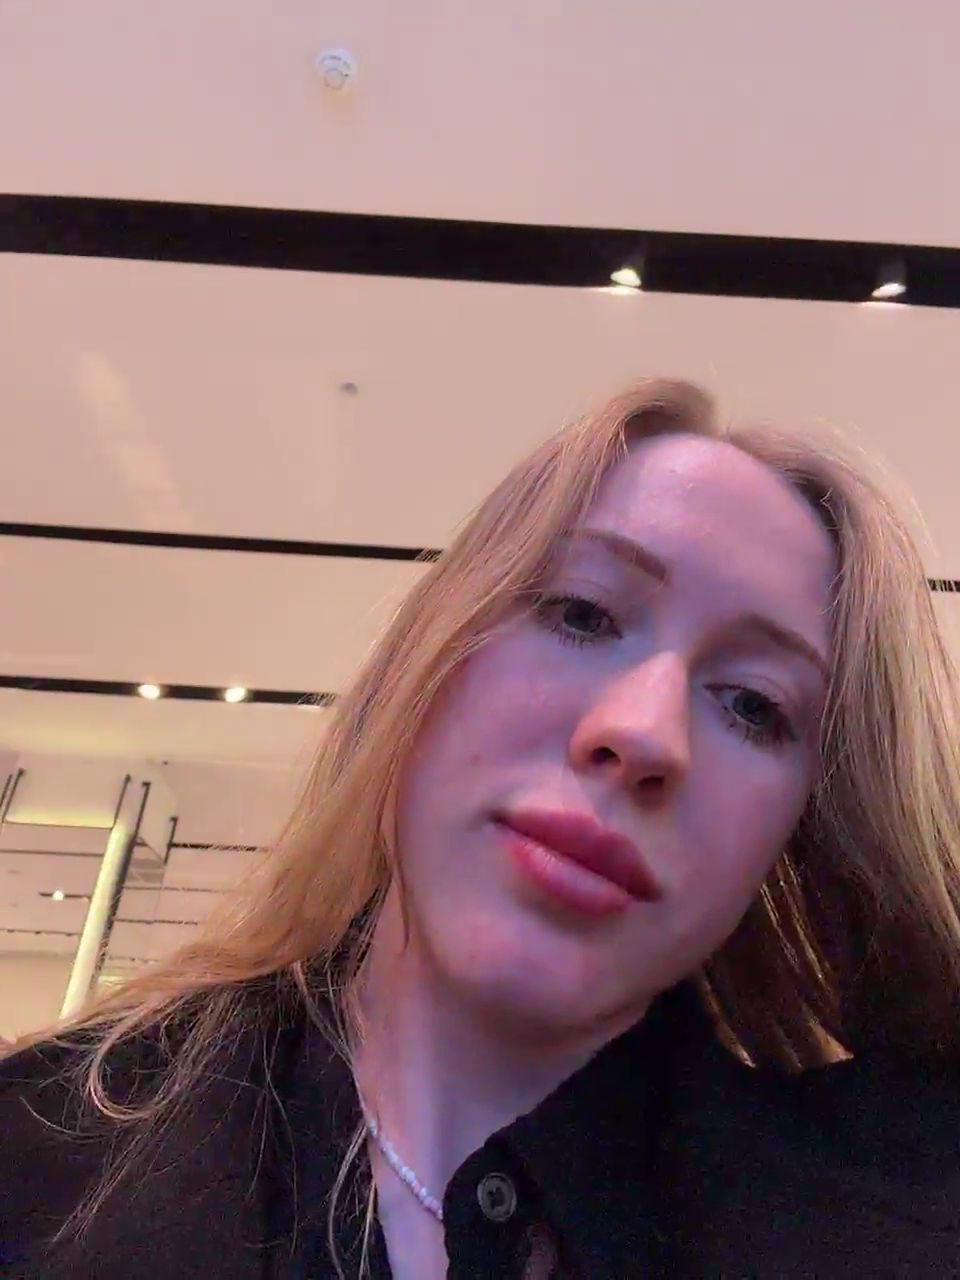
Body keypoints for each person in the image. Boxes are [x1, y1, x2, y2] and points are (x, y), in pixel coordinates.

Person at [2, 378, 960, 1279]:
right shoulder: (32, 1163)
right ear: (422, 662)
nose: (644, 733)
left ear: (798, 830)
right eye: (582, 613)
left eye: (753, 705)